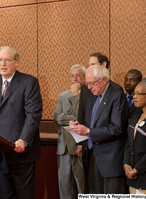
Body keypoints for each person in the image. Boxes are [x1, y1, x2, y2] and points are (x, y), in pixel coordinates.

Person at [0, 46, 43, 199]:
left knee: (24, 195)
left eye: (7, 60)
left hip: (20, 151)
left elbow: (33, 115)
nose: (3, 64)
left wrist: (24, 139)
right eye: (0, 60)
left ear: (16, 62)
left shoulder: (29, 82)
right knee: (4, 195)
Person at [70, 65, 128, 194]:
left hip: (110, 159)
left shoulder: (117, 96)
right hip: (91, 156)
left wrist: (89, 132)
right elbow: (90, 123)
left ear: (104, 80)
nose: (89, 87)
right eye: (87, 84)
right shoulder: (91, 97)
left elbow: (117, 128)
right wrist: (78, 126)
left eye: (92, 83)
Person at [54, 64, 86, 199]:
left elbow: (83, 116)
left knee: (82, 186)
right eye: (72, 76)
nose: (75, 79)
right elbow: (57, 117)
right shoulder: (63, 95)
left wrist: (75, 94)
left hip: (80, 145)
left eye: (78, 75)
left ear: (84, 77)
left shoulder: (88, 94)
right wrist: (72, 120)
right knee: (65, 187)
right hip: (64, 147)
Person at [77, 52, 123, 125]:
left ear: (103, 65)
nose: (89, 87)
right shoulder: (86, 89)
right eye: (89, 65)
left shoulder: (116, 91)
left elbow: (116, 126)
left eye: (93, 65)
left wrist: (89, 131)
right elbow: (82, 116)